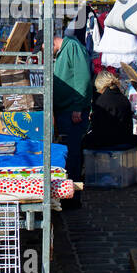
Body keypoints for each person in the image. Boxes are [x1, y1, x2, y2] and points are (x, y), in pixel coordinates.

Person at [52, 29, 93, 195]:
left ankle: (73, 190)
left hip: (72, 111)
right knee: (69, 150)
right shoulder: (64, 51)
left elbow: (82, 78)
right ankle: (70, 188)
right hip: (66, 109)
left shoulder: (72, 47)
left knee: (72, 151)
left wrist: (78, 106)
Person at [83, 70, 135, 151]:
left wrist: (92, 118)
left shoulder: (102, 101)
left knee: (80, 142)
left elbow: (97, 128)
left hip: (109, 141)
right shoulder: (123, 98)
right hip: (126, 139)